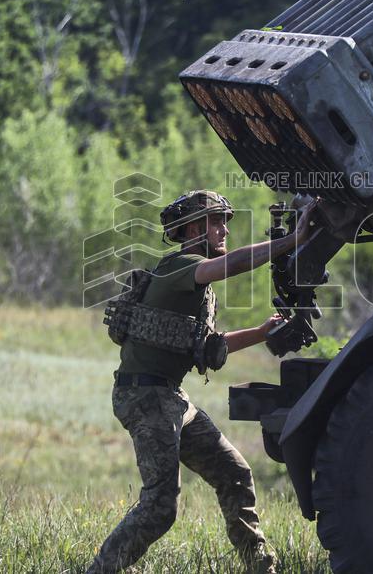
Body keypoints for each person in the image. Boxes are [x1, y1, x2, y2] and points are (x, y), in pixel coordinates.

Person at [86, 190, 317, 574]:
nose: (224, 229)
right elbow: (232, 265)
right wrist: (291, 242)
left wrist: (262, 332)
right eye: (216, 221)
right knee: (161, 505)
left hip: (169, 398)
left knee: (235, 474)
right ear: (194, 228)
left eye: (225, 220)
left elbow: (211, 347)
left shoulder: (194, 285)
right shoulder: (182, 267)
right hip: (146, 396)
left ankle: (262, 567)